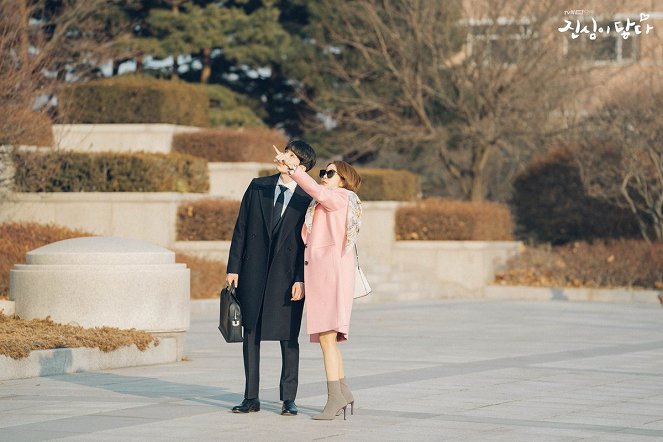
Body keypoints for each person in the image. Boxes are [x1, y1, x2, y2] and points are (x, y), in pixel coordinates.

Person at [226, 140, 316, 416]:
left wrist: (301, 279)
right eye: (285, 152)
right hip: (253, 271)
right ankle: (250, 397)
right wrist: (233, 268)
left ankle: (288, 398)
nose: (282, 157)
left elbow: (308, 244)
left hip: (288, 276)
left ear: (300, 166)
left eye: (290, 156)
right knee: (250, 333)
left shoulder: (307, 197)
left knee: (288, 337)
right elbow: (241, 228)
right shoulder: (258, 186)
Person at [274, 146, 363, 420]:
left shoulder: (341, 197)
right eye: (323, 172)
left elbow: (318, 192)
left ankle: (335, 397)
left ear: (343, 180)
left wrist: (294, 170)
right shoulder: (324, 203)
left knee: (327, 338)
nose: (324, 175)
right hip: (322, 277)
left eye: (330, 173)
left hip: (331, 277)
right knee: (328, 339)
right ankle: (342, 392)